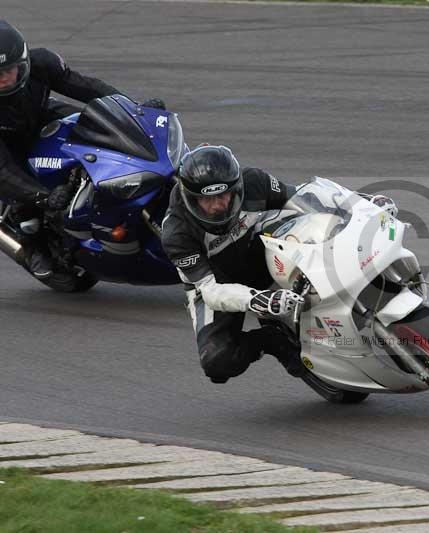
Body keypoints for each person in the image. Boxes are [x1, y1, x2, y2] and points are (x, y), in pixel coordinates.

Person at [162, 145, 398, 384]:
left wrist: (360, 204)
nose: (217, 206)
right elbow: (211, 292)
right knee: (217, 362)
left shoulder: (253, 180)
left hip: (258, 248)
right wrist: (257, 299)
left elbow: (305, 196)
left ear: (236, 187)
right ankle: (271, 338)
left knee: (310, 222)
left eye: (223, 196)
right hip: (216, 281)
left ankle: (354, 284)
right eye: (206, 199)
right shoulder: (177, 233)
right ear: (191, 198)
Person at [0, 20, 163, 279]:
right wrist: (43, 196)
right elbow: (3, 171)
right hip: (7, 149)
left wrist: (134, 111)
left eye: (11, 70)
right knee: (26, 206)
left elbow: (87, 87)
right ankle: (32, 247)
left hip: (40, 116)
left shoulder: (42, 63)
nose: (5, 79)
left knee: (100, 125)